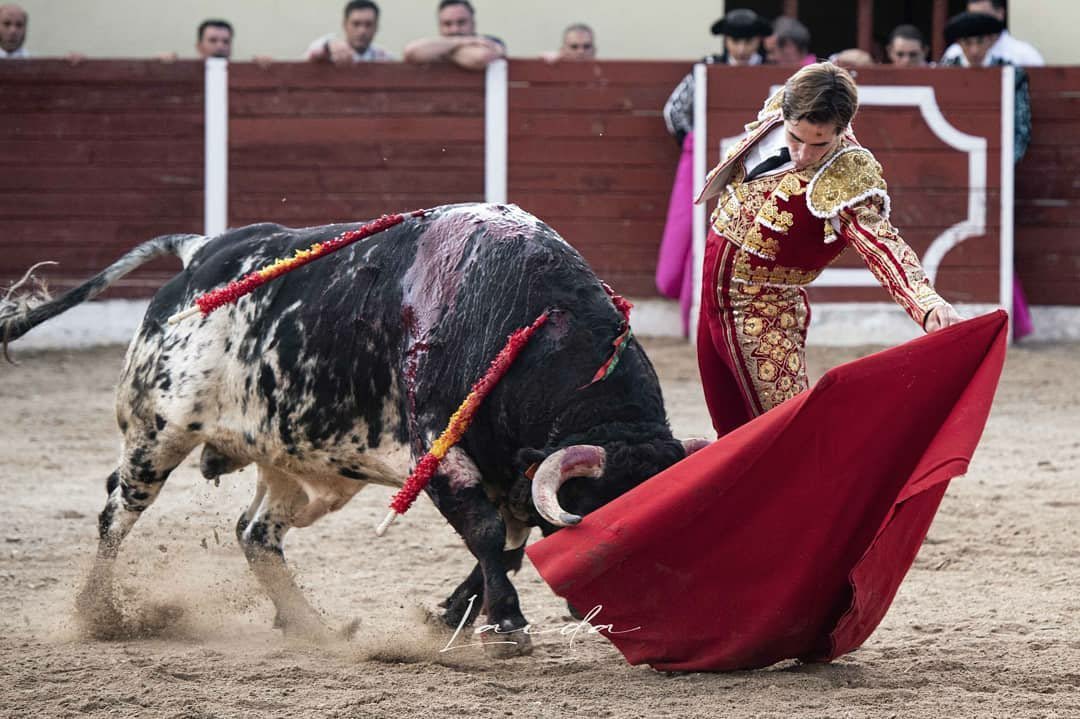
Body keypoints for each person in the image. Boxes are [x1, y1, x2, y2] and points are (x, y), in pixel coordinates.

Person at [694, 62, 962, 435]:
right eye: (796, 138)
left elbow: (881, 245)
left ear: (843, 128)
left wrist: (926, 303)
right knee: (731, 431)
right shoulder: (778, 111)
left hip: (763, 312)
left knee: (789, 434)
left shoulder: (846, 174)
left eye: (819, 143)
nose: (803, 154)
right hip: (711, 302)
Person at [941, 11, 1034, 340]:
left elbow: (1020, 131)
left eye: (980, 41)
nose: (974, 49)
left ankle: (1014, 322)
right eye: (967, 42)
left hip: (998, 180)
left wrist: (1000, 171)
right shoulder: (945, 73)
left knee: (997, 243)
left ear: (991, 40)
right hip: (951, 178)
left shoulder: (1011, 74)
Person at [403, 0, 505, 71]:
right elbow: (411, 52)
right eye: (447, 24)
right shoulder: (437, 45)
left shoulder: (490, 41)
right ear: (439, 26)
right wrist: (460, 41)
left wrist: (444, 51)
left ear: (473, 23)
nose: (455, 29)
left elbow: (481, 58)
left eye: (461, 22)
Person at [940, 0, 1043, 66]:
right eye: (972, 16)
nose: (977, 23)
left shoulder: (1024, 55)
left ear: (1001, 14)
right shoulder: (953, 54)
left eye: (984, 17)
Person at [306, 0, 394, 64]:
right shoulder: (329, 51)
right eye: (356, 24)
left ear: (376, 27)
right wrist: (327, 47)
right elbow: (311, 56)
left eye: (368, 24)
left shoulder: (385, 59)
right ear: (344, 25)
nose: (362, 31)